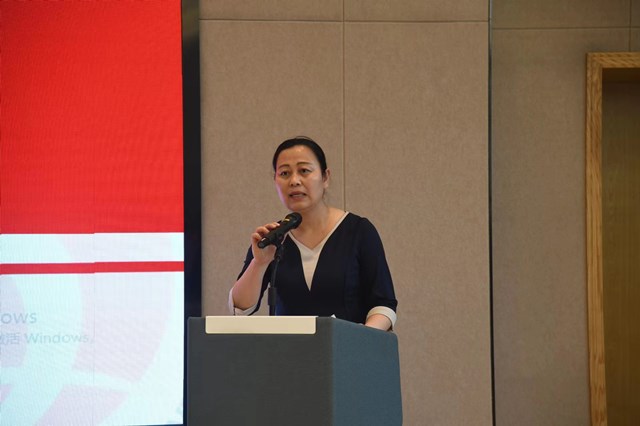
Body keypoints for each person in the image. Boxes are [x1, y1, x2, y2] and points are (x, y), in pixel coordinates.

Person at [229, 136, 397, 331]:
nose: (294, 181)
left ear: (325, 177)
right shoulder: (273, 237)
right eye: (284, 173)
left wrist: (360, 339)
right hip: (288, 349)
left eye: (304, 171)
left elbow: (383, 305)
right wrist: (259, 263)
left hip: (348, 348)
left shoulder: (358, 231)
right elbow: (240, 309)